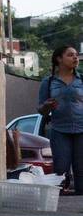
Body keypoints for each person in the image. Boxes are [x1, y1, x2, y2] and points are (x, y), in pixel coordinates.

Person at [38, 45, 83, 191]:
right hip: (59, 131)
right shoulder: (49, 82)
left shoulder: (82, 80)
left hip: (81, 130)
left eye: (76, 55)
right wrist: (46, 106)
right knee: (60, 171)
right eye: (70, 55)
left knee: (81, 171)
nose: (75, 58)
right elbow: (40, 110)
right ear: (59, 59)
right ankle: (60, 208)